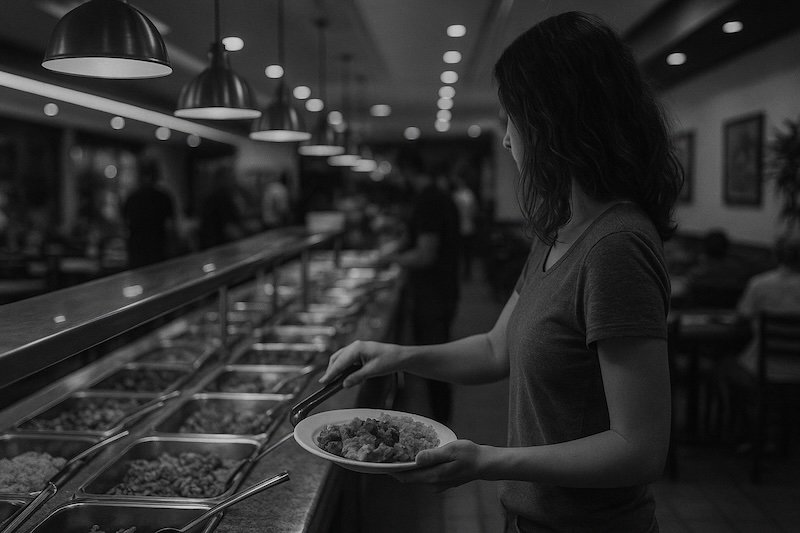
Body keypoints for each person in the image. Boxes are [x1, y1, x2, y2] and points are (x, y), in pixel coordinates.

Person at [320, 11, 682, 532]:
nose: (508, 140)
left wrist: (487, 461)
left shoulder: (616, 245)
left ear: (554, 121)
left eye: (511, 118)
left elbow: (639, 448)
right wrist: (392, 356)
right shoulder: (559, 228)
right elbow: (496, 348)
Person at [384, 149, 461, 424]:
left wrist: (390, 258)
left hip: (434, 293)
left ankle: (442, 427)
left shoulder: (430, 200)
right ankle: (439, 422)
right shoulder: (433, 196)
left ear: (407, 171)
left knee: (435, 363)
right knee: (433, 361)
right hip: (440, 289)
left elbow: (426, 254)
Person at [122, 160, 176, 268]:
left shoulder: (132, 198)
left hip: (137, 251)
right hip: (157, 250)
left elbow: (124, 224)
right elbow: (171, 227)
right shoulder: (163, 197)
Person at [197, 166, 246, 250]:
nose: (234, 181)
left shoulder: (211, 196)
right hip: (220, 246)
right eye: (231, 178)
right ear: (223, 179)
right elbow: (230, 228)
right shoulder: (222, 197)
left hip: (211, 245)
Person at [451, 175, 478, 280]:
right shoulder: (467, 195)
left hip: (463, 226)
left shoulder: (460, 195)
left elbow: (474, 210)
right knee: (465, 253)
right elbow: (474, 210)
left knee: (464, 252)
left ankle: (465, 273)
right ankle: (466, 273)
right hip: (466, 226)